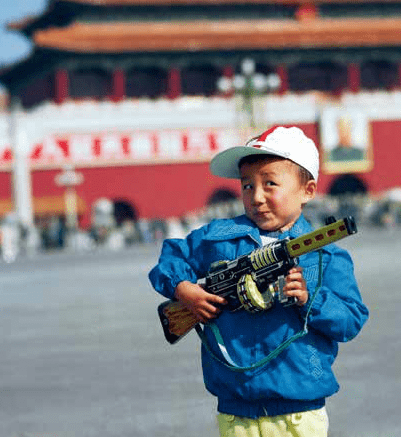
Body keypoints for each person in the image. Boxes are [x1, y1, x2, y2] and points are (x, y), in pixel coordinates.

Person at [149, 125, 368, 437]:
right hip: (236, 409)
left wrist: (310, 300)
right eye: (247, 186)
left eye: (270, 184)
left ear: (307, 190)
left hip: (299, 411)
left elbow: (351, 320)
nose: (257, 197)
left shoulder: (326, 255)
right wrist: (184, 290)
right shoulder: (219, 238)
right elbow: (172, 257)